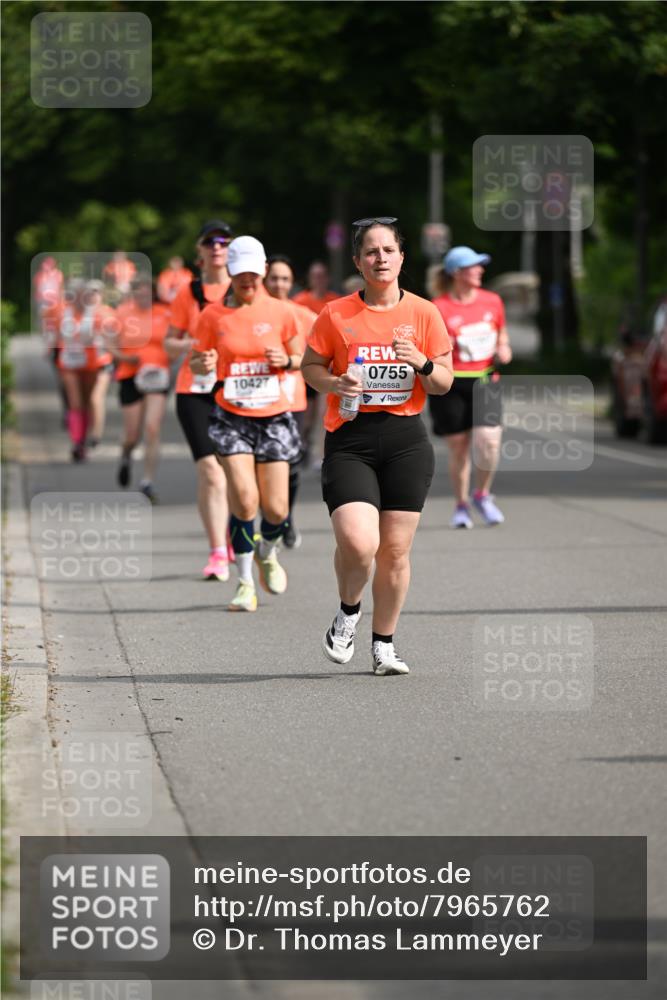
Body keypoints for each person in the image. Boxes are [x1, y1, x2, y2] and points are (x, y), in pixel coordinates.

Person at [301, 217, 453, 676]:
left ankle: (384, 645)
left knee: (395, 552)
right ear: (358, 262)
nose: (380, 259)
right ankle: (349, 611)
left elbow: (444, 383)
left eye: (388, 250)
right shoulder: (336, 314)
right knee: (359, 541)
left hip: (407, 440)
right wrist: (335, 381)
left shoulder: (424, 314)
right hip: (351, 438)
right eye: (371, 252)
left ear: (402, 258)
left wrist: (423, 363)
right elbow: (310, 367)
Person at [191, 236, 303, 613]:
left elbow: (303, 357)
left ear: (265, 271)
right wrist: (202, 365)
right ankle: (243, 583)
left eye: (254, 275)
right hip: (231, 416)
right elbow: (195, 360)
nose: (248, 282)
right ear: (231, 274)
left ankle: (266, 554)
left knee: (275, 509)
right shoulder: (212, 316)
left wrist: (286, 360)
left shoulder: (282, 312)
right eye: (241, 275)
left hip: (273, 415)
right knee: (244, 500)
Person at [164, 220, 234, 580]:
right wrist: (196, 343)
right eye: (210, 241)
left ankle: (234, 532)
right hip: (193, 389)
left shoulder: (243, 287)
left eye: (224, 241)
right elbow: (168, 342)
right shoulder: (187, 293)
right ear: (200, 250)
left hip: (235, 388)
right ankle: (217, 551)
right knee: (210, 471)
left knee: (232, 471)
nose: (217, 247)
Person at [429, 246, 512, 529]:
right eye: (474, 267)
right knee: (459, 447)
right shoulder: (438, 307)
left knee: (488, 442)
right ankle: (461, 505)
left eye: (480, 266)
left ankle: (482, 494)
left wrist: (504, 348)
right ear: (456, 273)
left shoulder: (492, 301)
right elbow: (428, 347)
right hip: (451, 383)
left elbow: (502, 334)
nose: (480, 270)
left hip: (486, 380)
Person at [264, 254, 315, 548]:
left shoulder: (304, 315)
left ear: (292, 282)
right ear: (265, 280)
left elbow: (320, 352)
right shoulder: (254, 312)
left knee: (291, 463)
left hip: (291, 398)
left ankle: (287, 518)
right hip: (256, 398)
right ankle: (267, 517)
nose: (280, 284)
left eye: (285, 279)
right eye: (274, 278)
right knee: (264, 464)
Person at [110, 275, 171, 502]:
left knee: (153, 428)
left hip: (157, 375)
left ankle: (147, 481)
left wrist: (170, 357)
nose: (143, 296)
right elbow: (110, 344)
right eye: (139, 292)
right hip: (130, 375)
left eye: (148, 292)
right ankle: (126, 454)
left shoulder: (165, 313)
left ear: (154, 293)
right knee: (132, 435)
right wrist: (125, 357)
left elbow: (173, 342)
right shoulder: (124, 313)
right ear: (133, 294)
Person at [43, 278, 115, 462]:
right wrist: (51, 347)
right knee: (75, 403)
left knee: (87, 402)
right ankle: (77, 442)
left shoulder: (96, 314)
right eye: (75, 295)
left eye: (83, 295)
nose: (79, 299)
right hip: (68, 363)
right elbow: (54, 333)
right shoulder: (60, 311)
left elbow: (106, 336)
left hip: (90, 363)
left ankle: (87, 436)